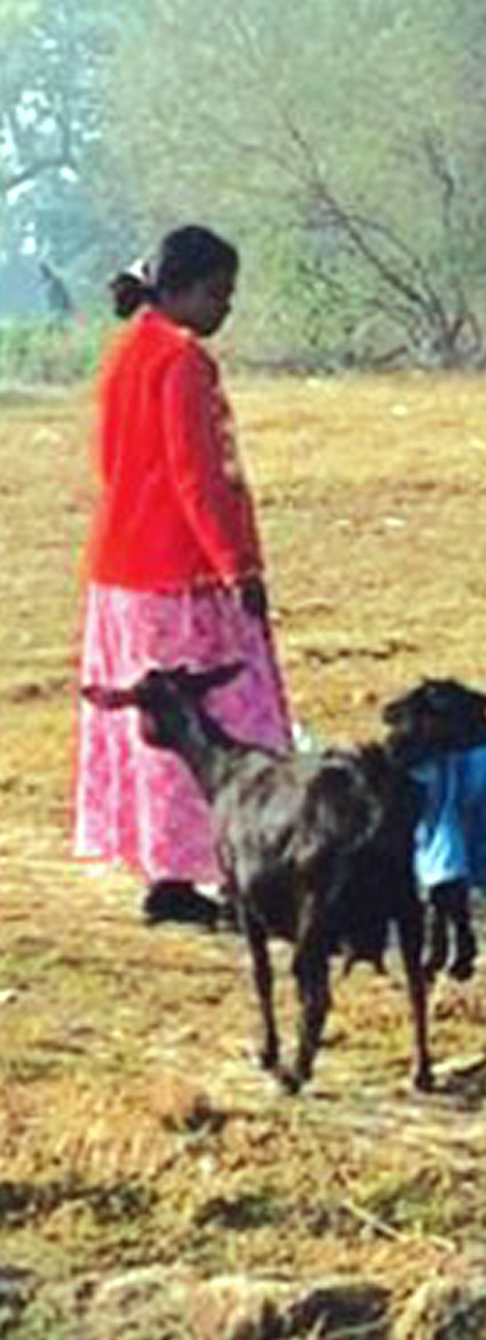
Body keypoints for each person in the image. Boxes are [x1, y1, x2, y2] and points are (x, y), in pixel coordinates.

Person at [73, 225, 290, 929]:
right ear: (182, 291)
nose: (225, 307)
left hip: (123, 569)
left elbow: (114, 463)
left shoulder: (127, 350)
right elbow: (199, 475)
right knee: (221, 726)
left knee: (156, 724)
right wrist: (237, 567)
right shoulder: (183, 362)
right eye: (217, 293)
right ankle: (240, 868)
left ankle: (167, 874)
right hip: (183, 575)